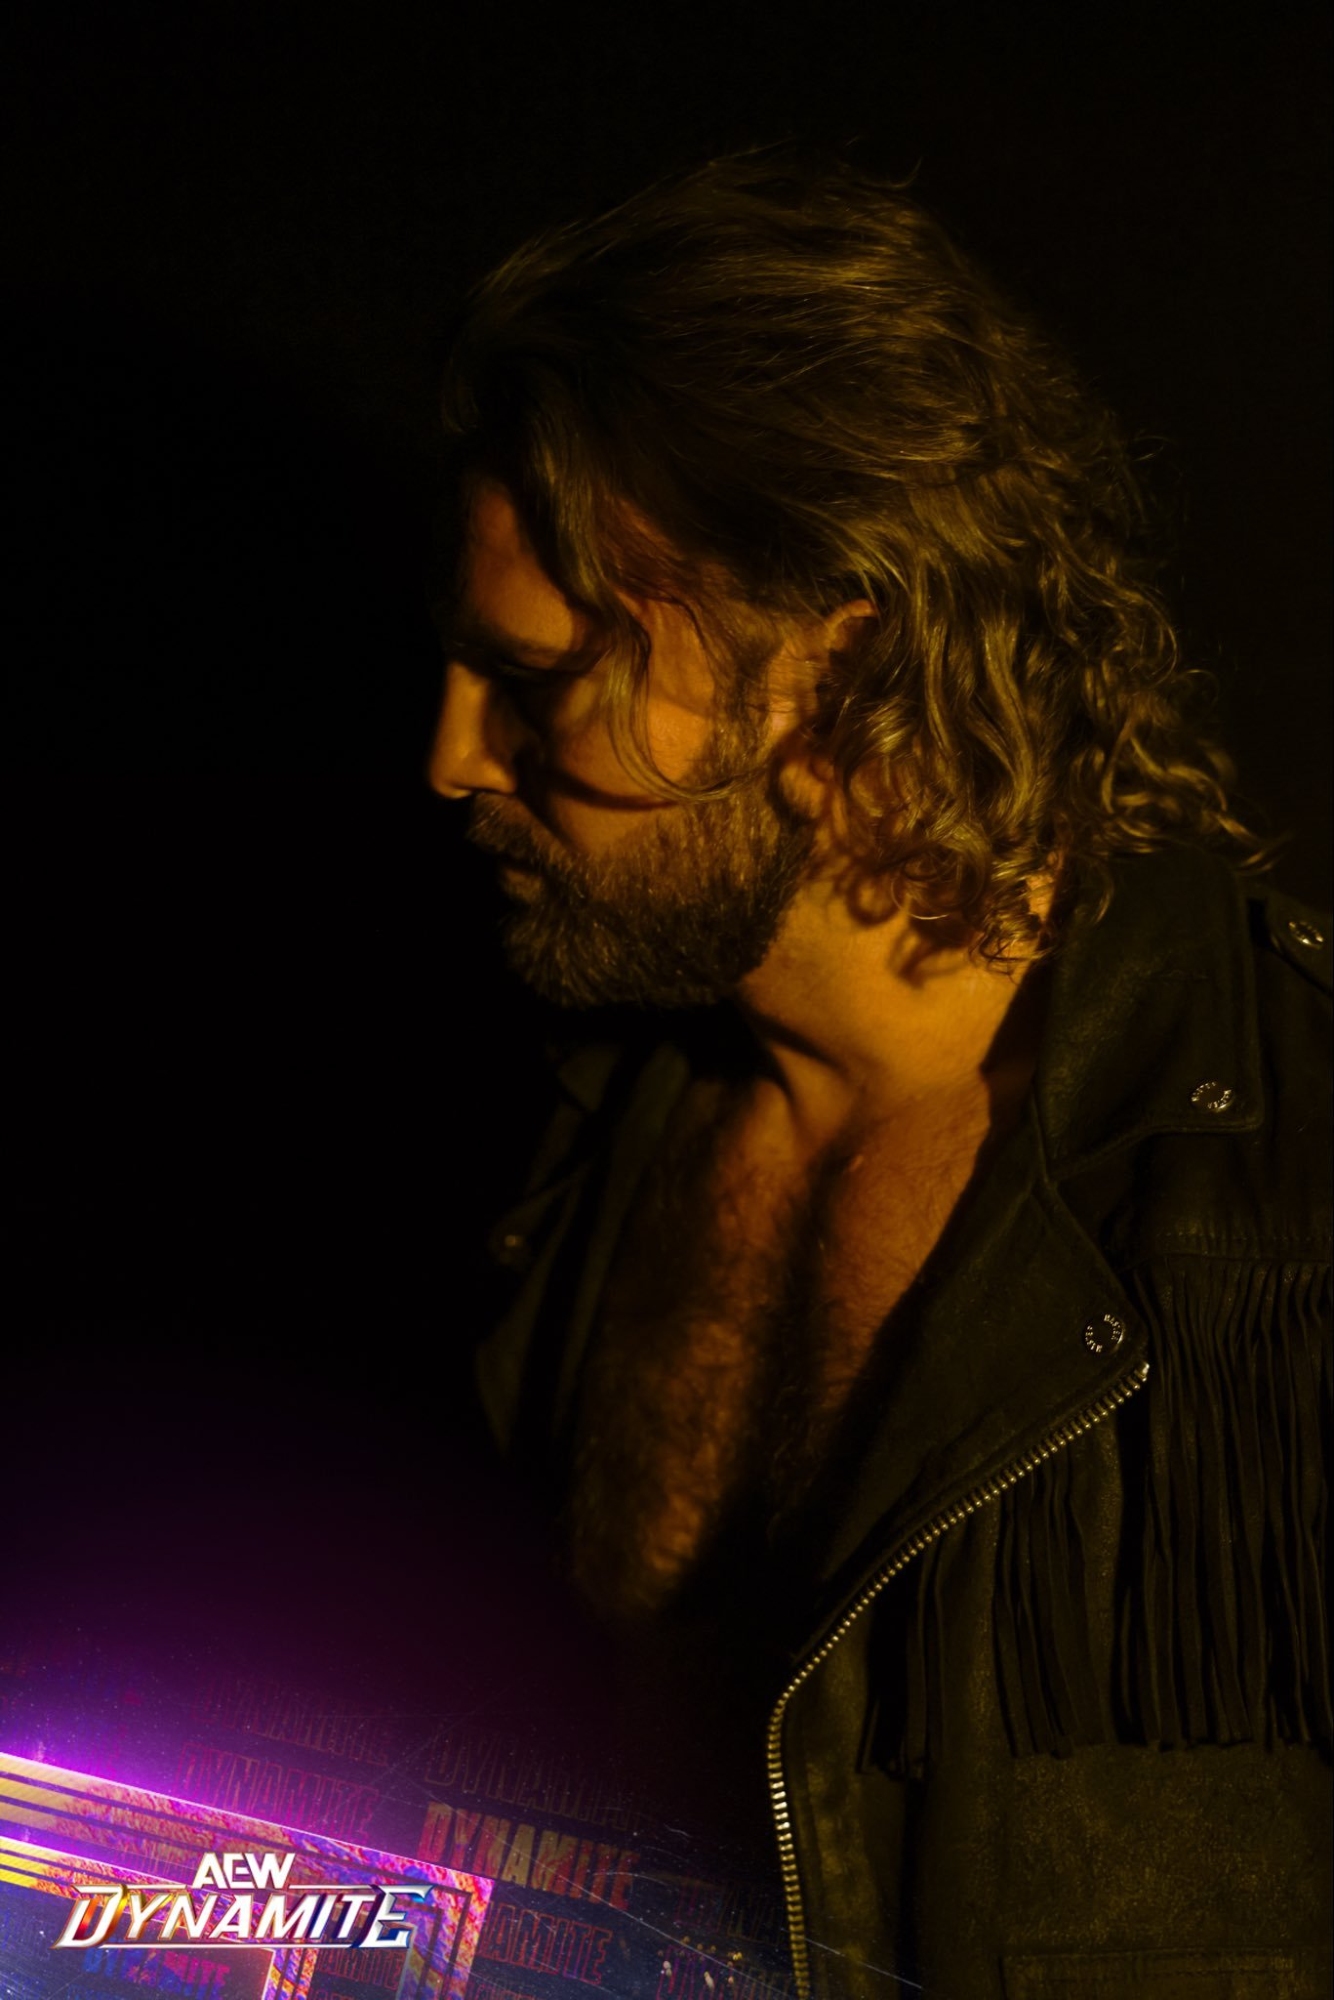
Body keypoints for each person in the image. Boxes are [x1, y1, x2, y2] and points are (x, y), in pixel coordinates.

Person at [425, 154, 1331, 1999]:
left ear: (829, 679)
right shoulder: (573, 1140)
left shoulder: (1293, 1209)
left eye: (534, 681)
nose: (451, 759)